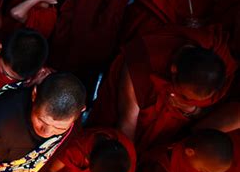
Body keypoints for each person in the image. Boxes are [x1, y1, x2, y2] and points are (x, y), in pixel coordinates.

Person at [89, 24, 237, 152]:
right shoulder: (143, 60)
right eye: (184, 94)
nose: (186, 99)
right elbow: (128, 121)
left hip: (169, 131)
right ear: (173, 69)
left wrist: (192, 110)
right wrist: (127, 160)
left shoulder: (215, 49)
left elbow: (209, 110)